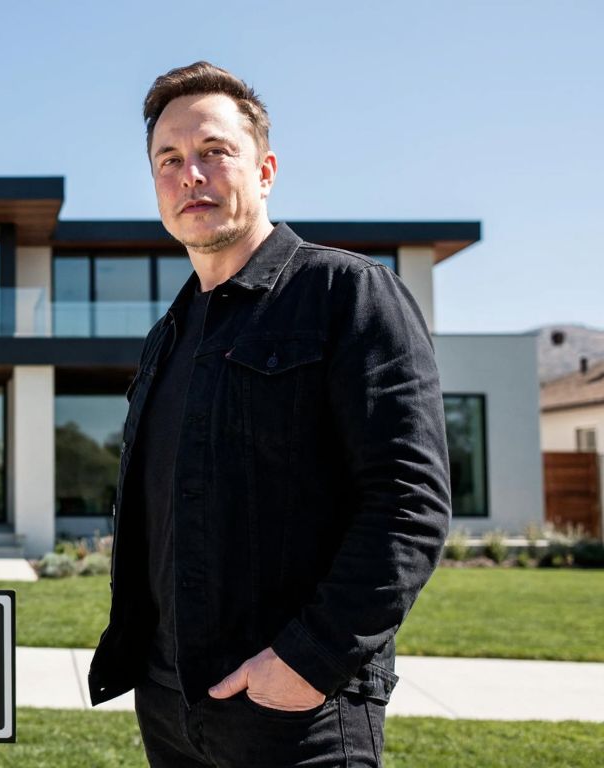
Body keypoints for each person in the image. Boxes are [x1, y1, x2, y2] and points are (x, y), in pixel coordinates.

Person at [87, 61, 452, 767]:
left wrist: (306, 663)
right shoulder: (170, 335)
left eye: (214, 151)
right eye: (169, 159)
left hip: (296, 718)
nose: (190, 173)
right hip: (170, 709)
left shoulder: (347, 294)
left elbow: (408, 504)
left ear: (266, 169)